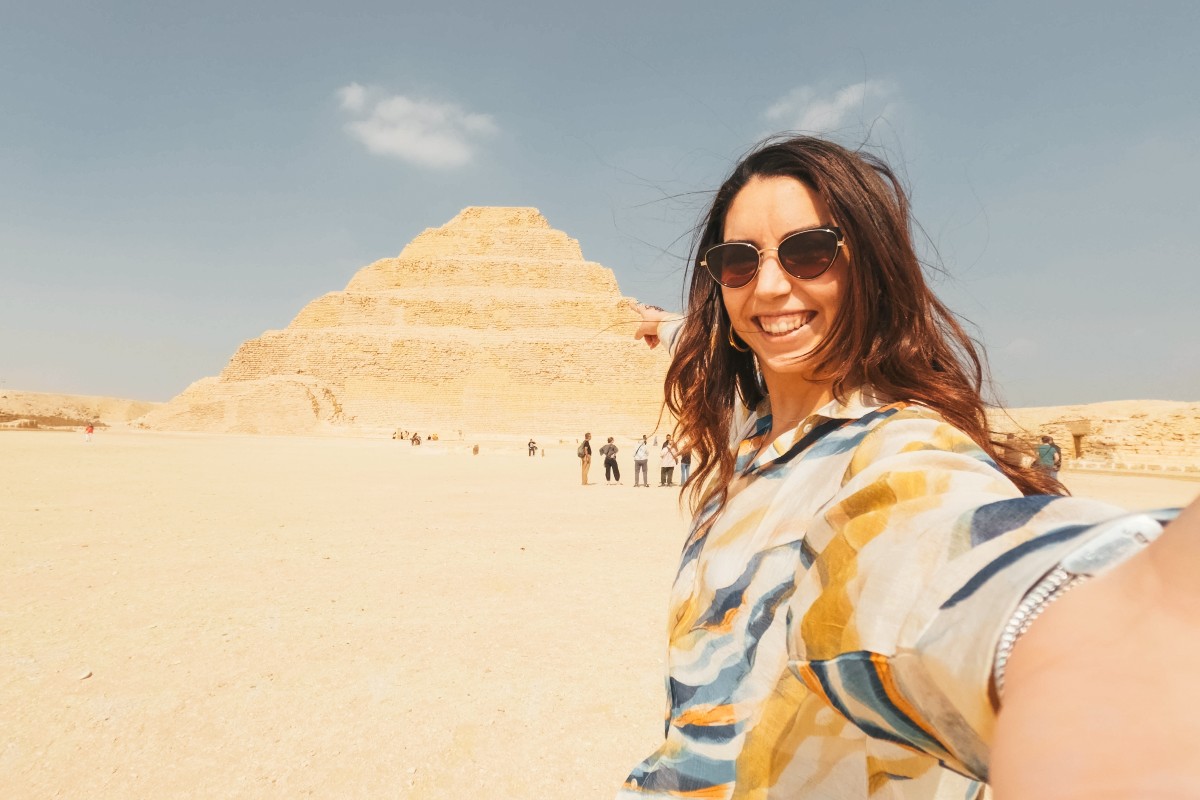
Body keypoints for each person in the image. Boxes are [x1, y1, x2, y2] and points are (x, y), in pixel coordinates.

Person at [621, 136, 1198, 799]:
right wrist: (667, 326)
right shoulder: (757, 431)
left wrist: (1094, 629)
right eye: (738, 262)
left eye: (809, 253)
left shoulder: (893, 450)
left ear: (868, 269)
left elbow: (929, 549)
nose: (771, 286)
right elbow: (721, 338)